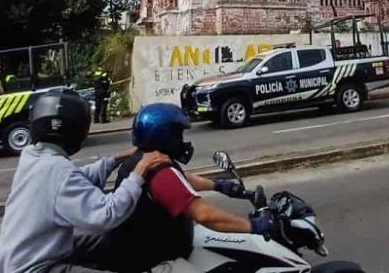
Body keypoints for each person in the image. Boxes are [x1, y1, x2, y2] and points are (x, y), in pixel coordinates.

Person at [0, 88, 170, 273]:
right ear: (76, 130)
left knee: (108, 242)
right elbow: (108, 213)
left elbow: (75, 180)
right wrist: (140, 171)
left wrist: (116, 160)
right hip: (37, 268)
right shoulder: (57, 169)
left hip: (25, 256)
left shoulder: (34, 157)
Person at [106, 103, 276, 273]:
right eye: (178, 134)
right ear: (165, 136)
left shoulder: (145, 160)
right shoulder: (160, 173)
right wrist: (254, 226)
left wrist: (219, 186)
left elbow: (181, 180)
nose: (182, 141)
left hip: (154, 251)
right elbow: (205, 215)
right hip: (156, 264)